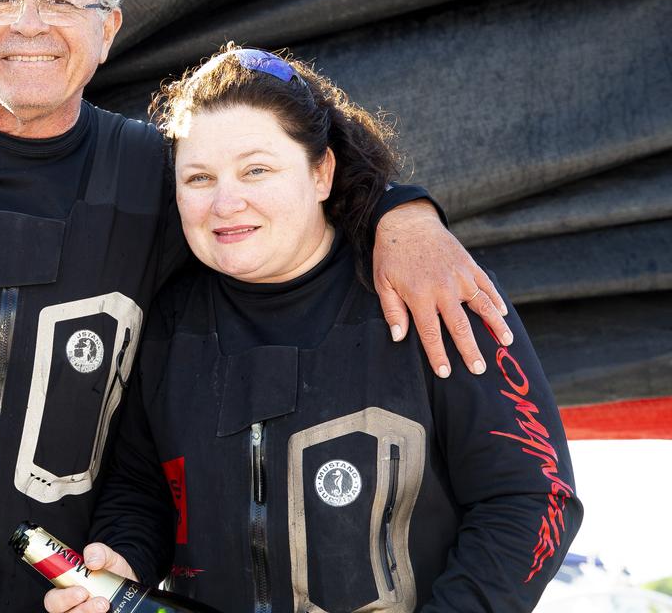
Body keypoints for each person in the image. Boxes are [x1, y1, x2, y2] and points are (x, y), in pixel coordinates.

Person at [0, 0, 512, 611]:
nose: (29, 24)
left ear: (108, 28)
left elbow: (282, 198)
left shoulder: (159, 177)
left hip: (56, 600)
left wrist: (405, 214)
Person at [43, 47, 582, 613]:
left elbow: (533, 498)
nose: (227, 202)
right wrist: (122, 561)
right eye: (199, 177)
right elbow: (142, 491)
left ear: (322, 172)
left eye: (257, 169)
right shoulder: (163, 323)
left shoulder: (429, 290)